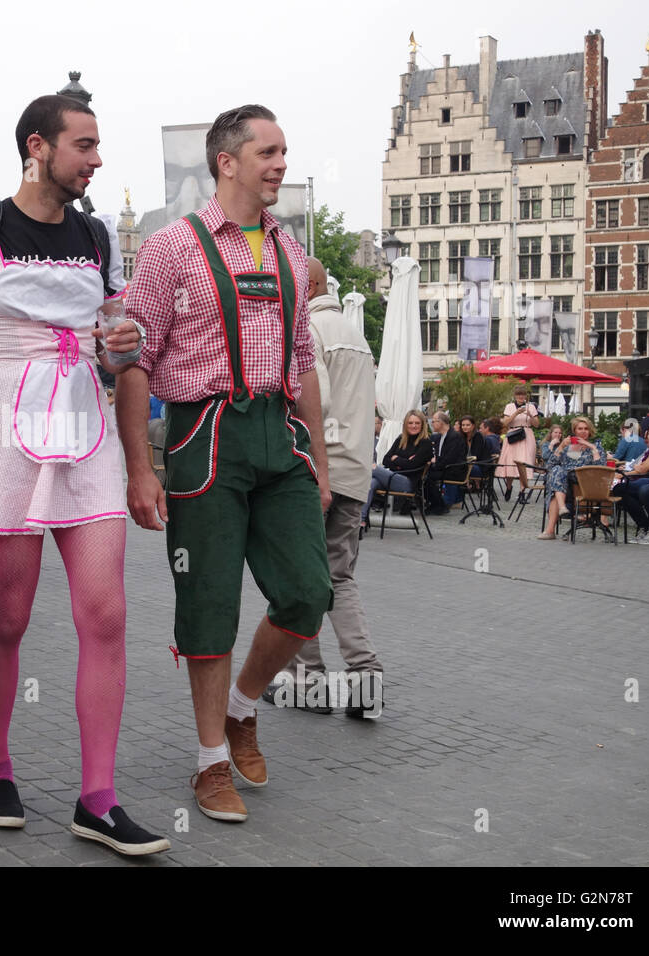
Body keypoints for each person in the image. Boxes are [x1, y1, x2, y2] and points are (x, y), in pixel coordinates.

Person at [0, 93, 168, 856]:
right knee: (9, 615)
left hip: (84, 424)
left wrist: (123, 358)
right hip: (0, 427)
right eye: (84, 145)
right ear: (37, 147)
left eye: (98, 145)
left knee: (106, 615)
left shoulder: (98, 234)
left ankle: (98, 797)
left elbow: (124, 354)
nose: (97, 159)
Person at [118, 104, 333, 824]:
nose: (279, 163)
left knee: (308, 593)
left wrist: (322, 463)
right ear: (227, 161)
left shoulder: (292, 255)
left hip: (280, 435)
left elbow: (304, 362)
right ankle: (211, 762)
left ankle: (243, 708)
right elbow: (135, 358)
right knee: (208, 604)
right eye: (267, 152)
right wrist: (139, 469)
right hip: (202, 436)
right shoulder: (171, 249)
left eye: (283, 151)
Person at [264, 257, 381, 718]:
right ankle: (365, 679)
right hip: (355, 469)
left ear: (307, 284)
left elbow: (320, 397)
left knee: (300, 577)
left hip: (317, 467)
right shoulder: (356, 335)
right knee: (340, 576)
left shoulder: (308, 330)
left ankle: (306, 680)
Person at [539, 416, 607, 539]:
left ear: (590, 430)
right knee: (557, 472)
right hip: (565, 484)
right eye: (579, 428)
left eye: (586, 428)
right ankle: (559, 514)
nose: (583, 431)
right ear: (574, 431)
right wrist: (560, 447)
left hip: (584, 484)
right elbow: (550, 466)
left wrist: (592, 448)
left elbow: (600, 470)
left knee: (556, 482)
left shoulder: (596, 447)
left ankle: (552, 525)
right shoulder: (567, 447)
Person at [362, 410, 433, 527]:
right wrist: (404, 461)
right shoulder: (401, 439)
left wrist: (396, 459)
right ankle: (362, 520)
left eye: (417, 423)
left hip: (408, 483)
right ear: (405, 424)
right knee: (371, 483)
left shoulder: (425, 443)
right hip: (391, 478)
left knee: (372, 468)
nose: (413, 426)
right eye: (410, 423)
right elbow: (386, 459)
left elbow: (413, 465)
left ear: (422, 425)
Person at [497, 385, 539, 501]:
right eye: (519, 394)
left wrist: (530, 415)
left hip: (526, 435)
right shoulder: (509, 407)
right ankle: (509, 487)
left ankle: (522, 492)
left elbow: (536, 424)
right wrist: (516, 413)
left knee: (524, 463)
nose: (521, 397)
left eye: (523, 394)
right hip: (513, 435)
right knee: (510, 462)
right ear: (515, 396)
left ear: (526, 396)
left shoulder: (531, 406)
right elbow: (505, 423)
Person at [425, 411, 466, 514]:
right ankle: (435, 503)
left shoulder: (454, 436)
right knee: (422, 474)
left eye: (433, 421)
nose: (431, 424)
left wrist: (435, 461)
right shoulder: (439, 437)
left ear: (441, 422)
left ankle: (439, 505)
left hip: (454, 470)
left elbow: (450, 459)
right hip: (443, 467)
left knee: (427, 477)